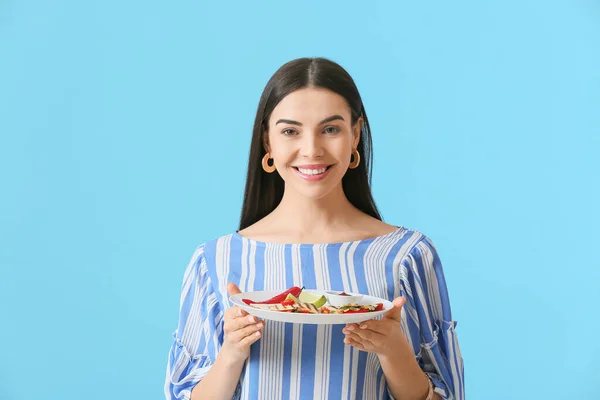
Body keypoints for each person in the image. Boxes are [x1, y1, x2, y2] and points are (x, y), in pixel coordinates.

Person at [164, 57, 464, 400]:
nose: (311, 150)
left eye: (331, 129)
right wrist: (232, 352)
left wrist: (394, 351)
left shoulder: (406, 256)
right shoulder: (215, 261)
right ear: (268, 142)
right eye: (290, 131)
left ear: (355, 135)